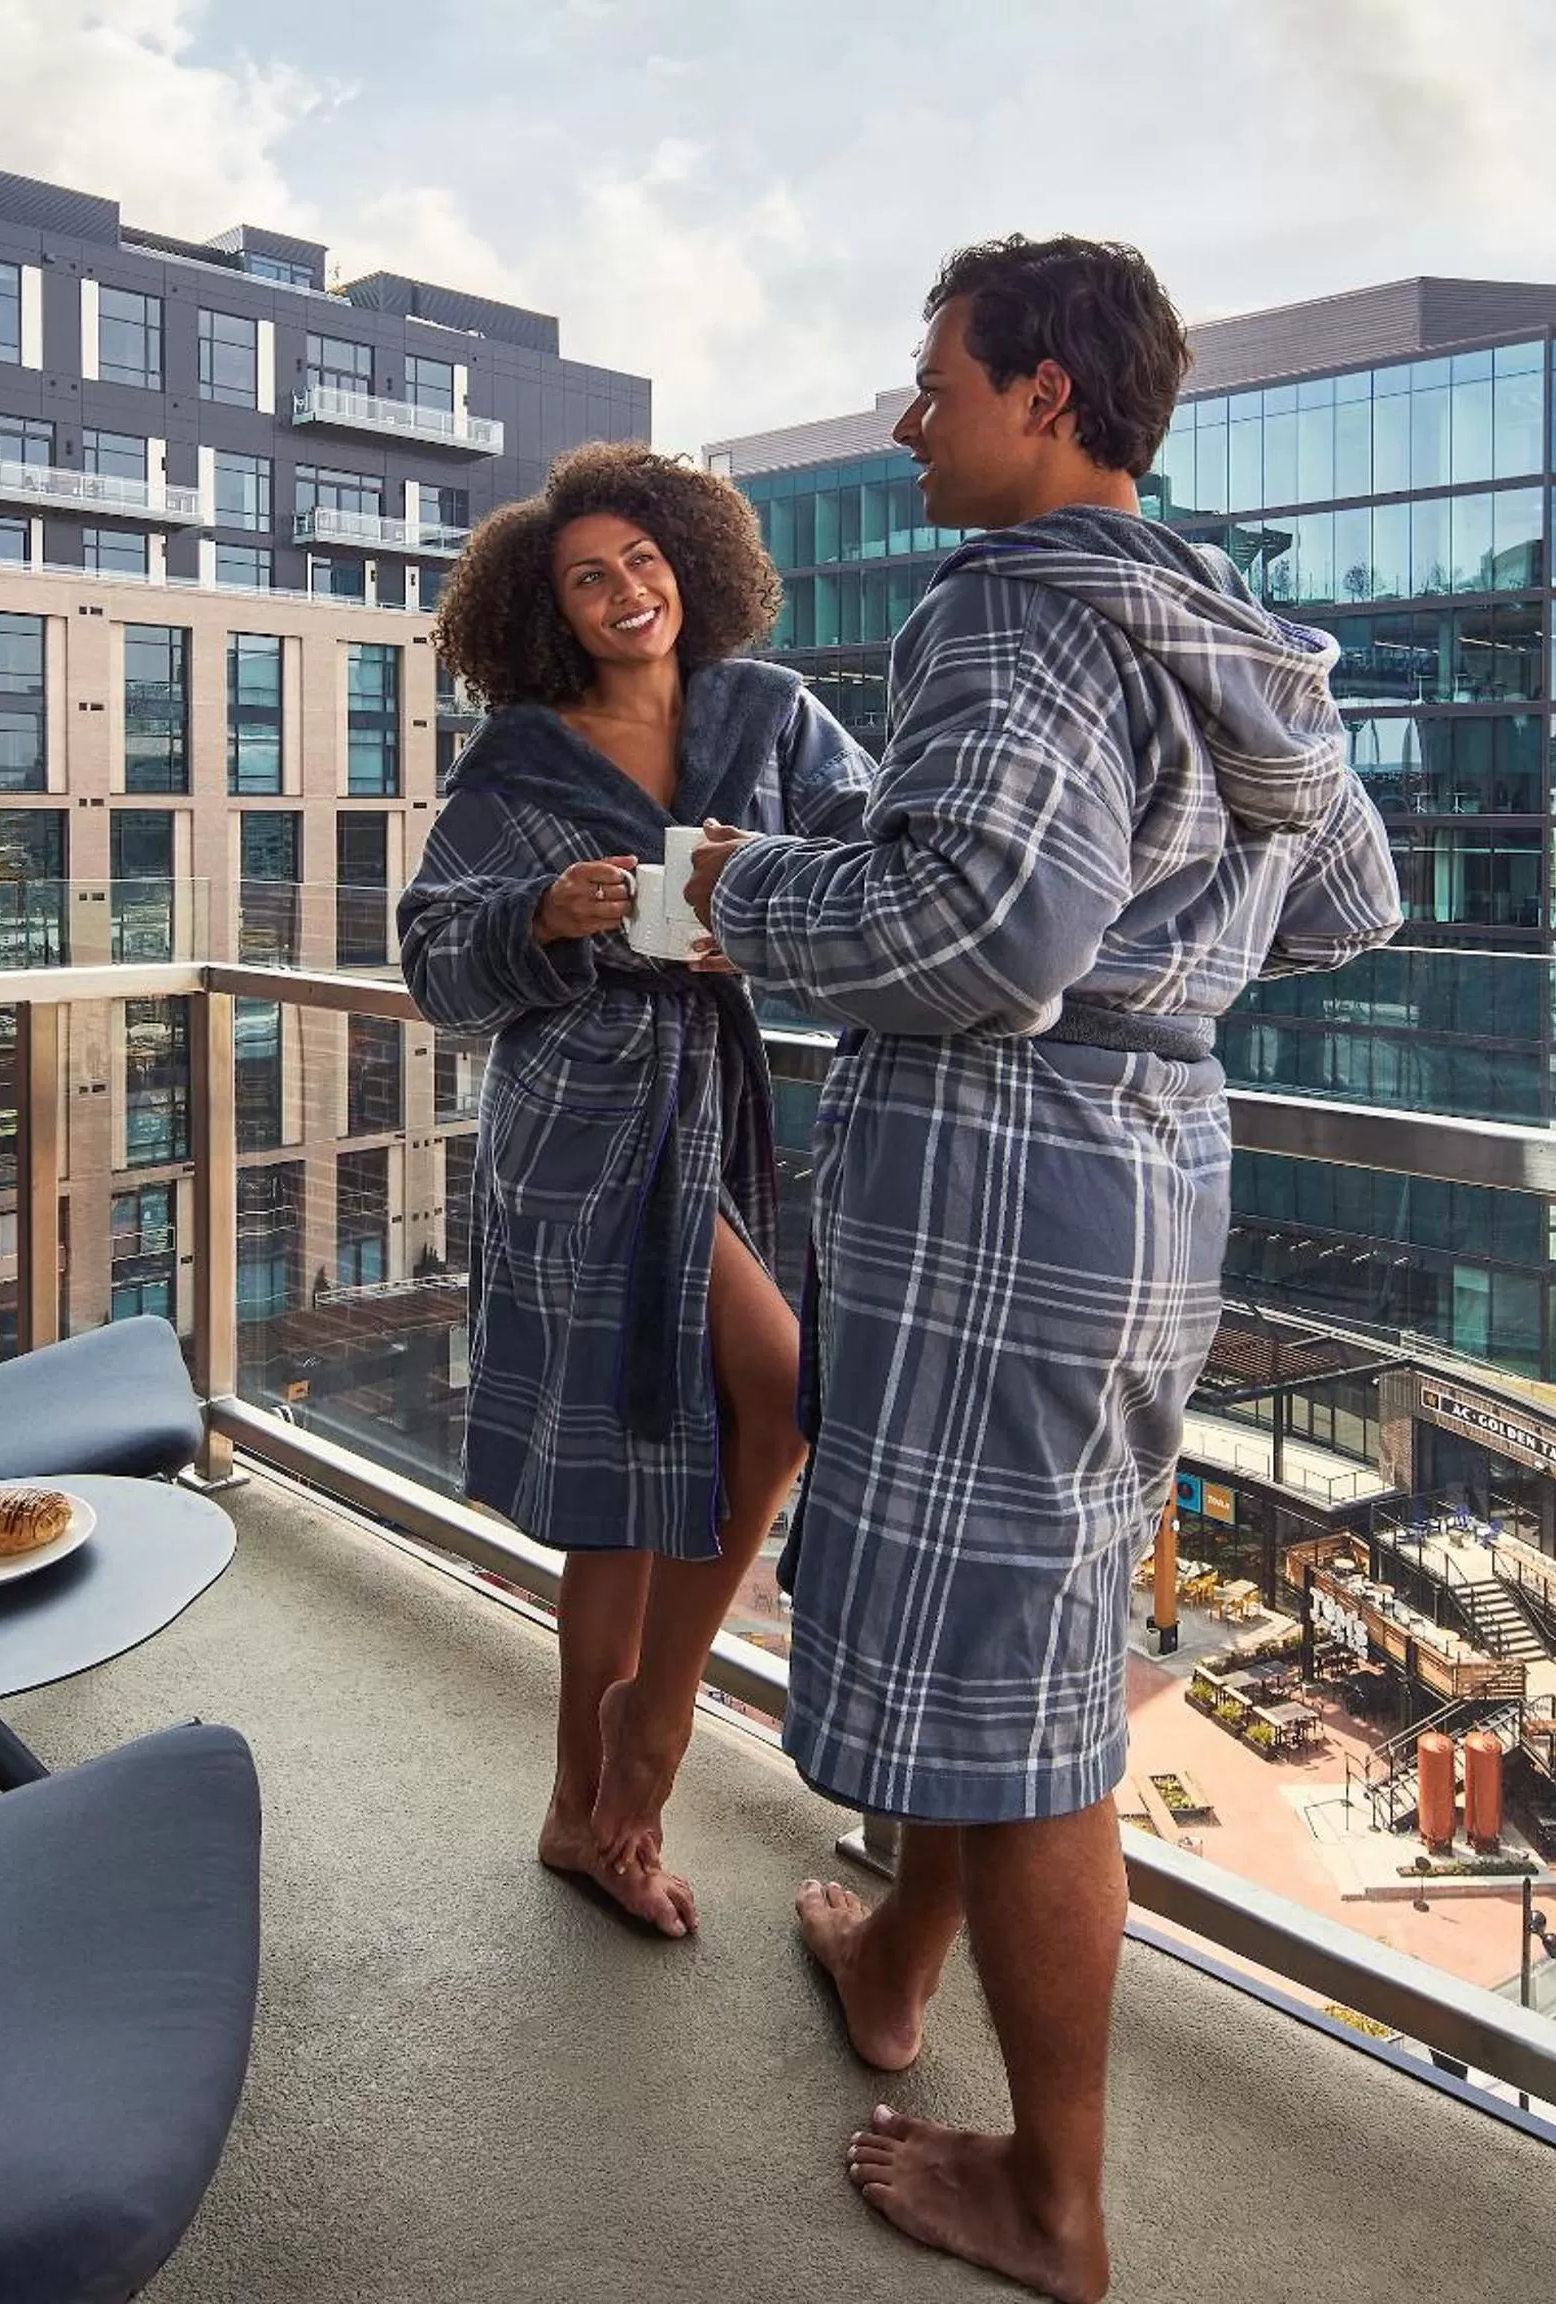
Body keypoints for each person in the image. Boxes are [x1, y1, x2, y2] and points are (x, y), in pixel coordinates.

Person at [688, 237, 1401, 2300]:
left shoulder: (1014, 614)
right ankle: (902, 1952)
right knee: (1018, 1617)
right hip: (1150, 1177)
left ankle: (1057, 2202)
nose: (908, 421)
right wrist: (1171, 954)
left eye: (935, 383)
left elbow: (986, 931)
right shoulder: (1226, 626)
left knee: (1033, 1695)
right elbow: (1346, 895)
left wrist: (748, 890)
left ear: (1049, 399)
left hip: (1007, 1194)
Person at [398, 443, 874, 1935]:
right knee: (678, 1446)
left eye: (644, 560)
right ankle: (609, 1786)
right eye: (588, 577)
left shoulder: (770, 716)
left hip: (708, 1111)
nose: (626, 591)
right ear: (546, 611)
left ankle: (619, 1768)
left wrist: (766, 928)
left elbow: (879, 874)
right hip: (575, 1130)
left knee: (763, 1404)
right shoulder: (521, 758)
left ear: (692, 561)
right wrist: (540, 910)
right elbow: (427, 958)